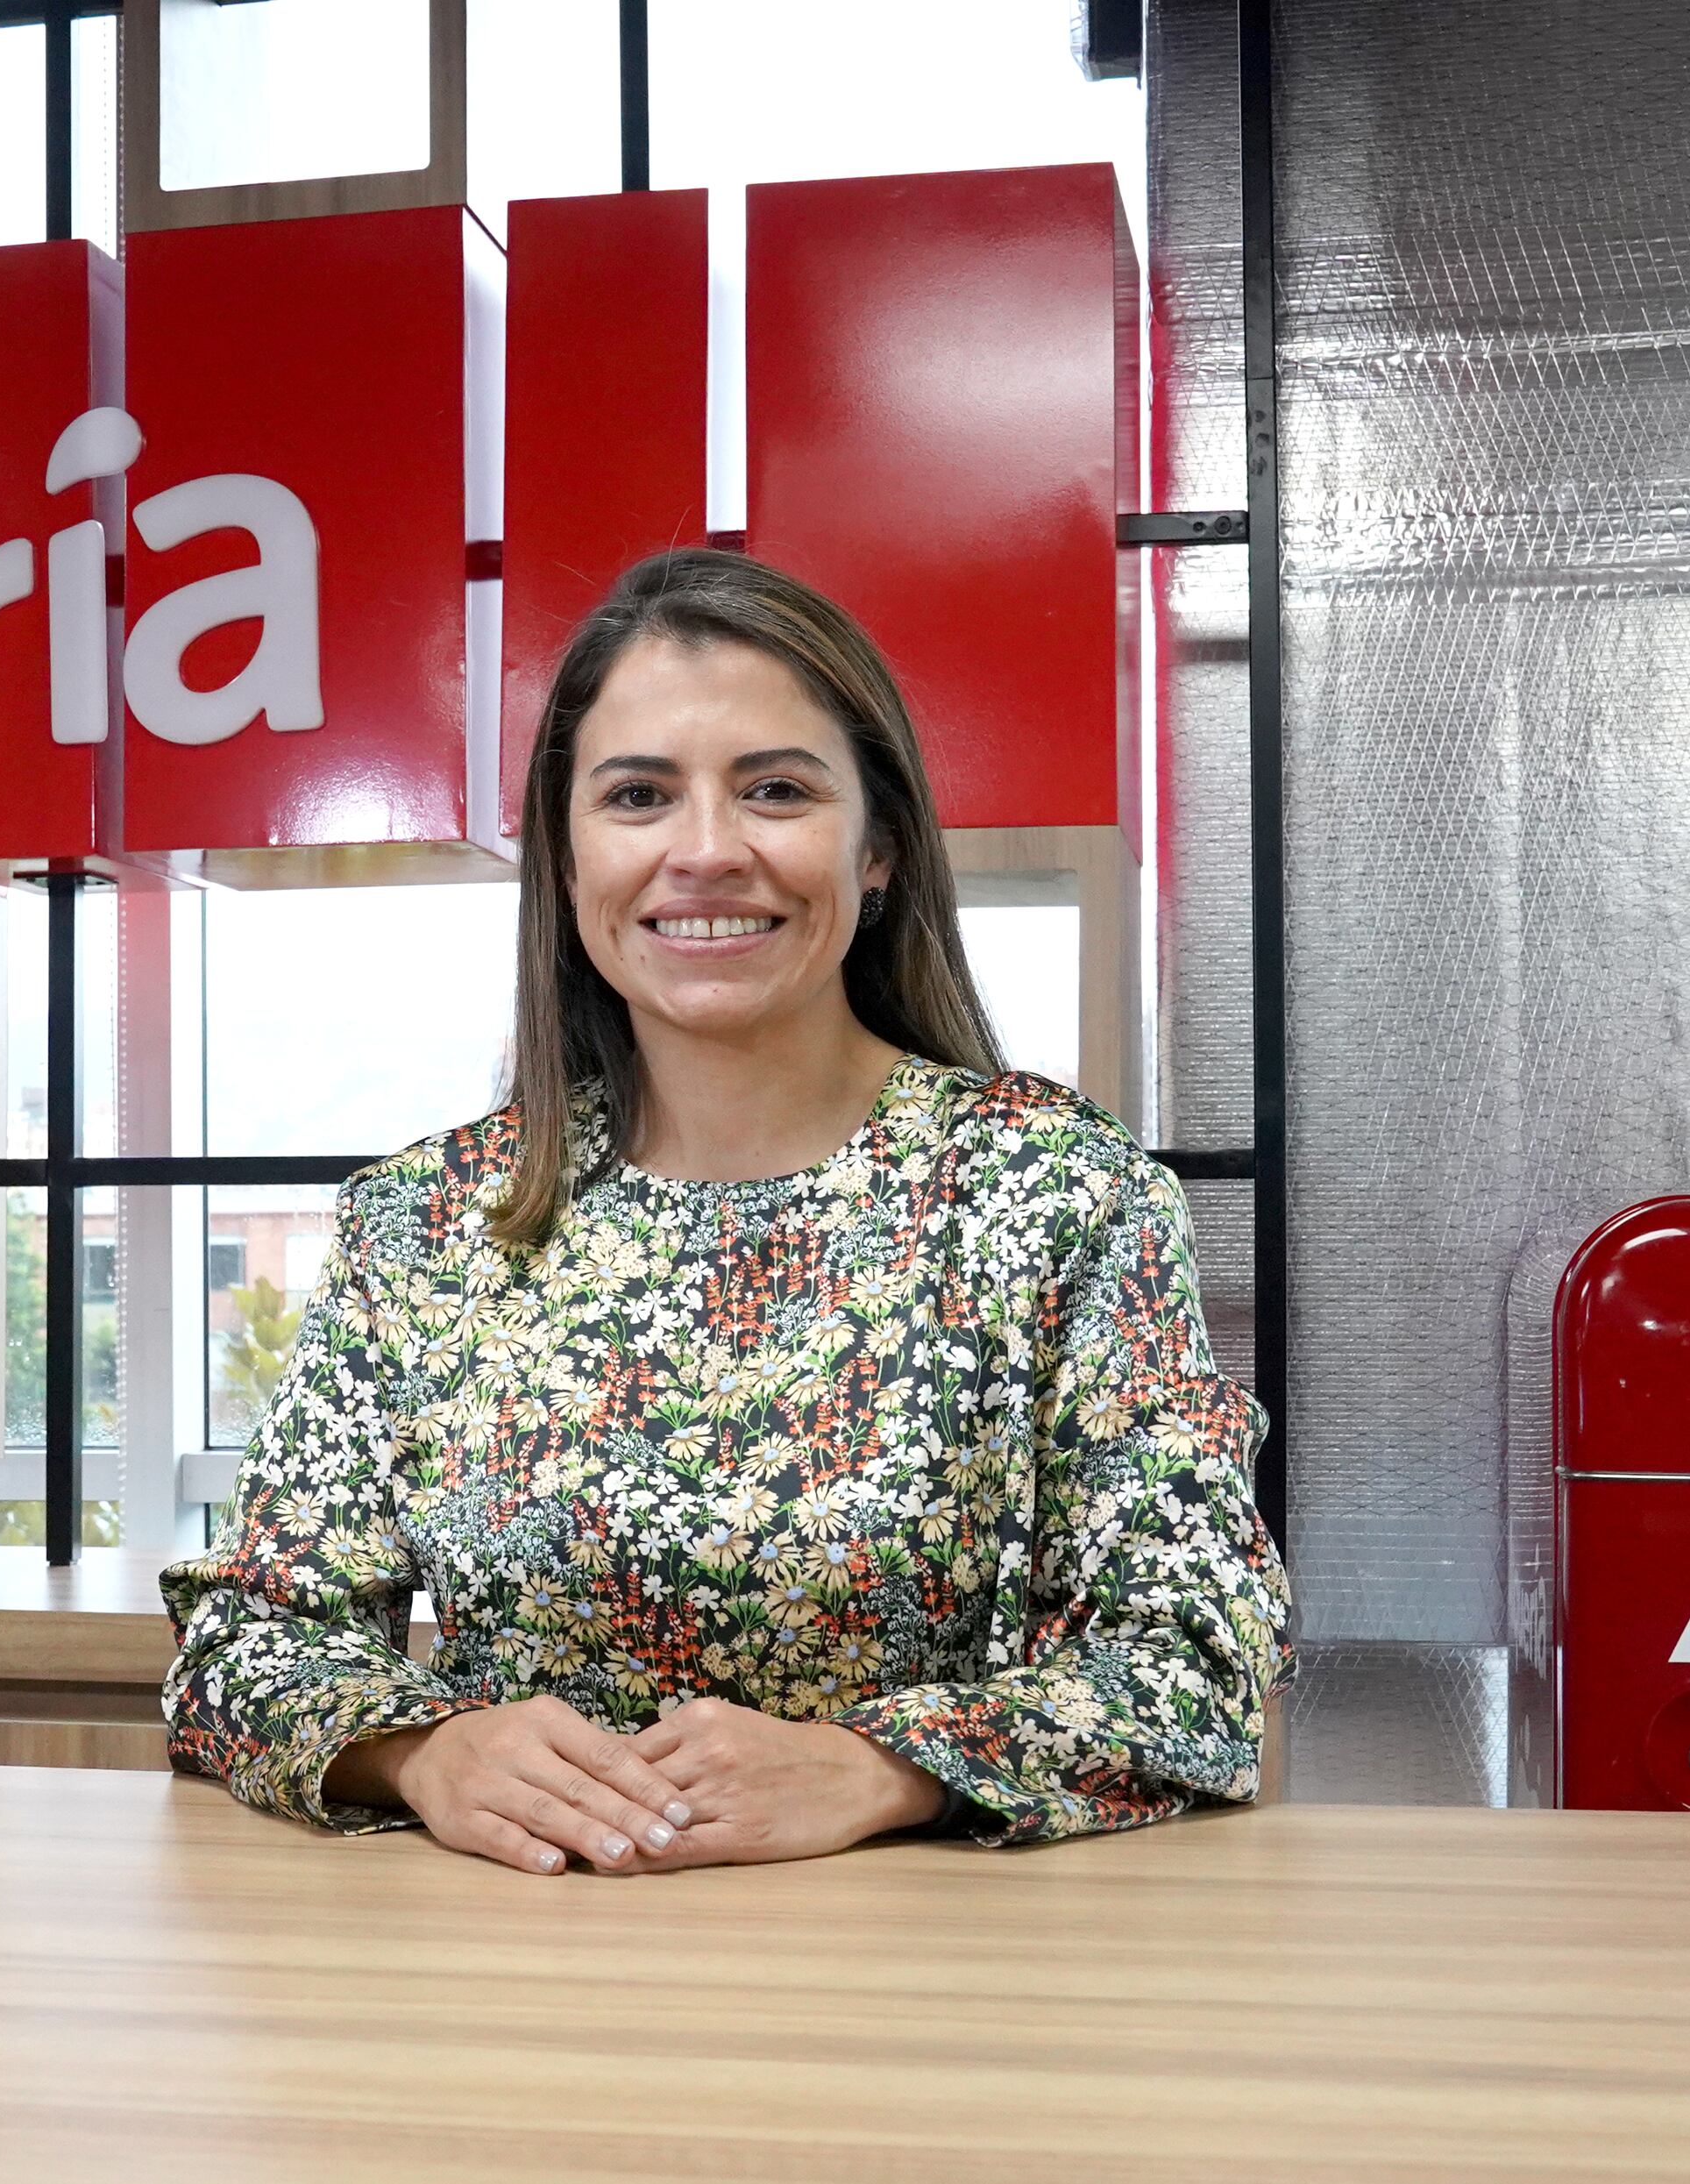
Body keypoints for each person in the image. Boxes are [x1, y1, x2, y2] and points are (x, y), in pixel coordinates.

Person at [160, 548, 1289, 1875]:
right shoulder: (428, 1221)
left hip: (931, 1960)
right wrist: (424, 1749)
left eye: (777, 790)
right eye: (638, 796)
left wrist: (882, 1766)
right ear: (566, 858)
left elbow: (1194, 1657)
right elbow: (244, 1639)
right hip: (518, 1957)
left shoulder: (1056, 1191)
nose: (705, 851)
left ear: (879, 848)